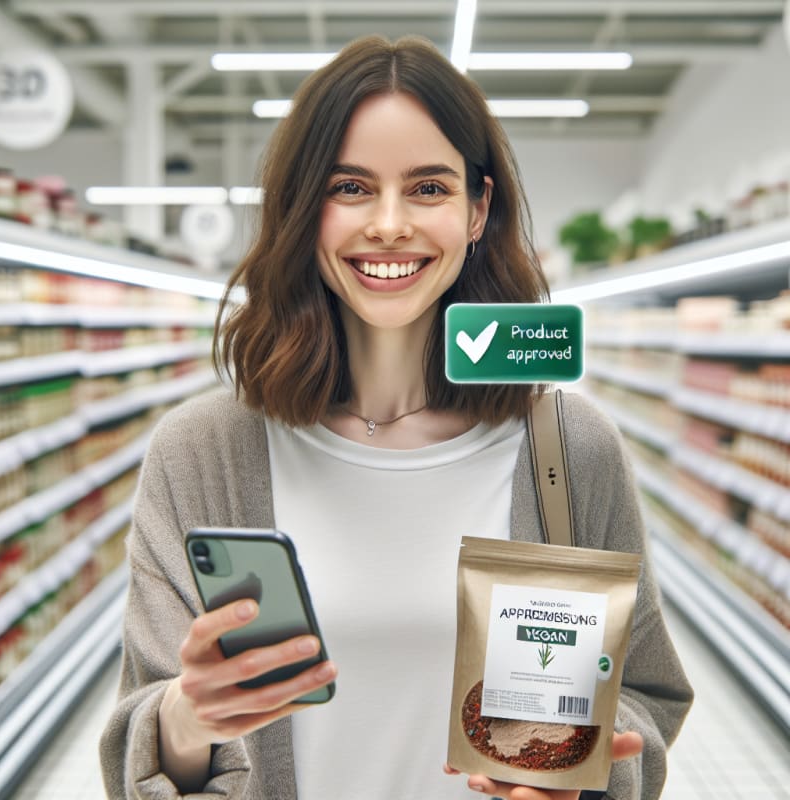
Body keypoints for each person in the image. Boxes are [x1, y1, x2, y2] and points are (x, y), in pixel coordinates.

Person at [100, 34, 692, 800]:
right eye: (349, 187)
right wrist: (186, 717)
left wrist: (585, 774)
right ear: (302, 209)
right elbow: (141, 730)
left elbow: (644, 695)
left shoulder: (568, 451)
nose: (388, 224)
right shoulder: (203, 453)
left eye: (428, 188)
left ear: (479, 210)